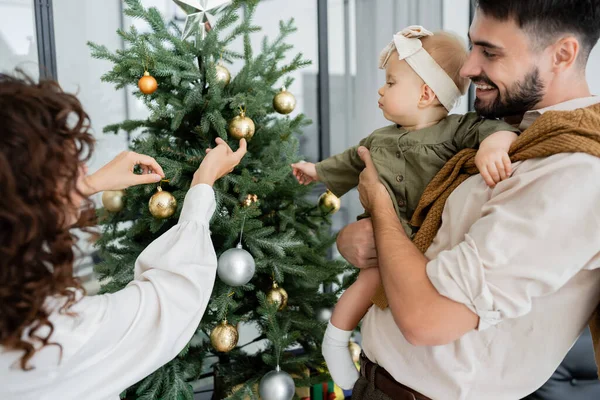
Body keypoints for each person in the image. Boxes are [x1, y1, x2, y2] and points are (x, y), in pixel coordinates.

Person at [335, 1, 600, 399]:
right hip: (374, 381)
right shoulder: (503, 135)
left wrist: (380, 206)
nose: (467, 68)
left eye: (490, 52)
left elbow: (426, 319)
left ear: (561, 54)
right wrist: (361, 235)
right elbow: (422, 234)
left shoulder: (573, 171)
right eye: (473, 46)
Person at [291, 26, 519, 389]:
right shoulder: (379, 139)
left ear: (426, 93)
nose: (381, 90)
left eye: (392, 83)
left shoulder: (454, 131)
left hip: (425, 245)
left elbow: (491, 130)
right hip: (386, 241)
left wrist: (495, 146)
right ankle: (335, 341)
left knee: (395, 295)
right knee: (365, 284)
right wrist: (316, 170)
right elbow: (350, 163)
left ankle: (345, 341)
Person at [0, 72, 247, 400]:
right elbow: (169, 301)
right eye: (66, 164)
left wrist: (82, 188)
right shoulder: (49, 338)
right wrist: (204, 182)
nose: (83, 170)